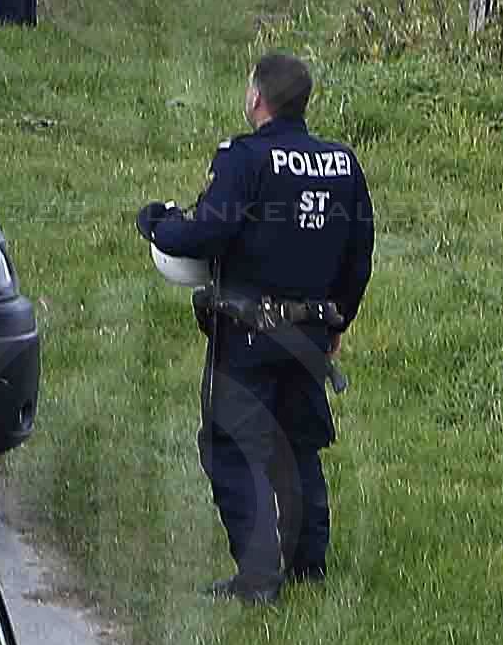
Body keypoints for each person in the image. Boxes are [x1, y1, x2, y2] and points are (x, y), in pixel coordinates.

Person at [140, 52, 373, 605]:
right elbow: (359, 251)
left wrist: (155, 221)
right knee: (299, 445)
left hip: (248, 335)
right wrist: (341, 316)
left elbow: (203, 236)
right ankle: (307, 566)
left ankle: (258, 577)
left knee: (230, 448)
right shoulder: (343, 164)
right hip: (311, 332)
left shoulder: (245, 159)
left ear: (256, 98)